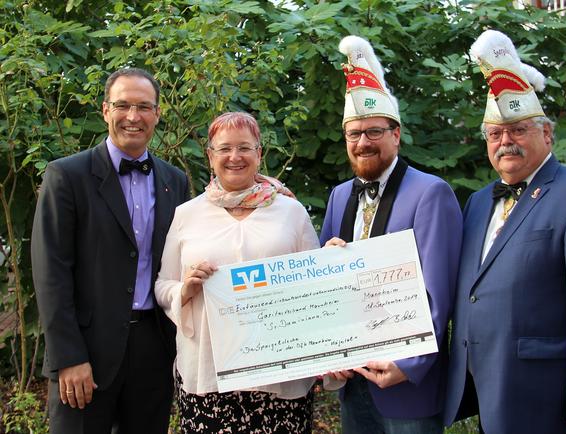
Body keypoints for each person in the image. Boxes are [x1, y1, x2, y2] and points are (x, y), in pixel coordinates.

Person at [444, 30, 566, 434]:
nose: (505, 141)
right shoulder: (477, 203)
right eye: (495, 134)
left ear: (547, 134)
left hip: (548, 399)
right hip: (488, 392)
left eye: (518, 130)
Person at [31, 67, 190, 434]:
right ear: (105, 110)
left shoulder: (174, 181)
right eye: (123, 105)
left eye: (144, 107)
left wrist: (265, 194)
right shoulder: (66, 176)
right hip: (87, 351)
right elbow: (50, 272)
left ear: (157, 113)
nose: (133, 117)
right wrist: (68, 357)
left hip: (153, 350)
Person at [320, 35, 463, 434]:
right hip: (354, 382)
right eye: (354, 134)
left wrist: (409, 364)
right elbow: (323, 289)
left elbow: (439, 293)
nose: (363, 142)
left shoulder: (430, 193)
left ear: (396, 135)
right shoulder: (338, 196)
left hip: (405, 386)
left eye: (374, 132)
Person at [154, 111, 320, 434]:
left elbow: (316, 283)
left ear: (259, 154)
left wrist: (334, 258)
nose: (235, 157)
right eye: (224, 148)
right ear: (210, 156)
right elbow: (163, 285)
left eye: (244, 147)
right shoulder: (187, 214)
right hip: (209, 375)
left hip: (280, 378)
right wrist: (184, 290)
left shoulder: (291, 212)